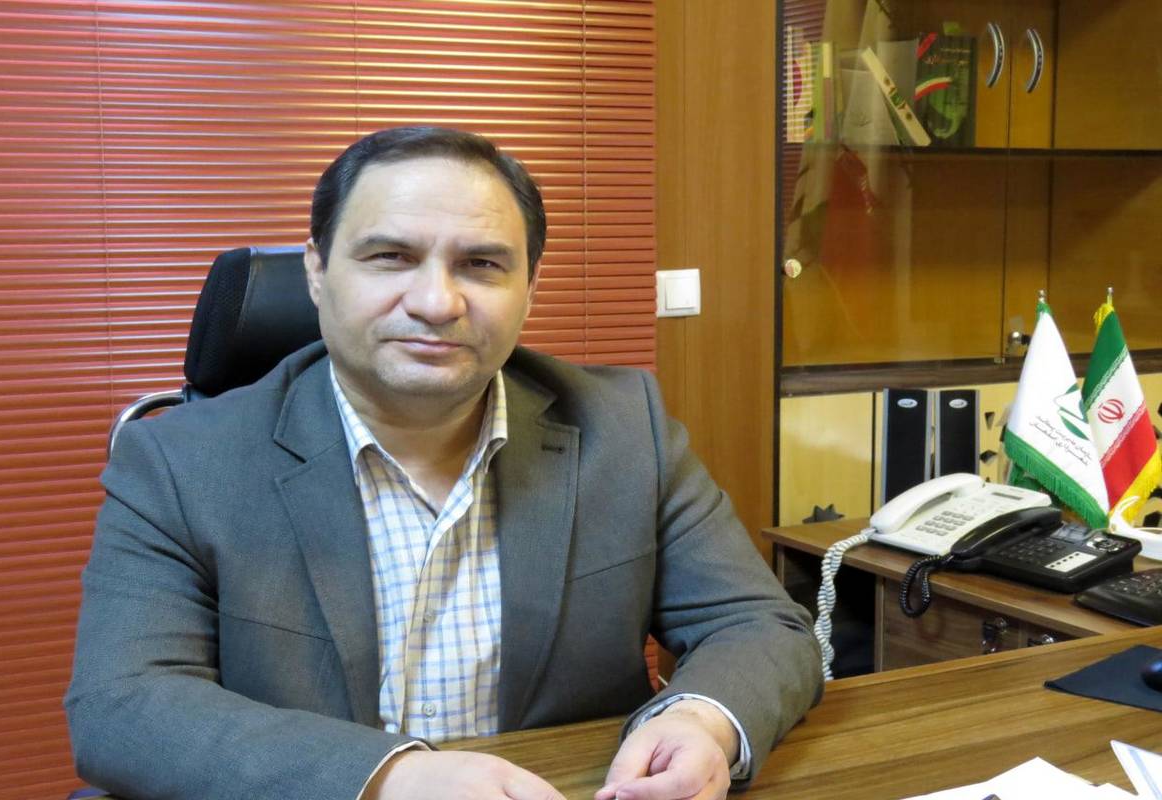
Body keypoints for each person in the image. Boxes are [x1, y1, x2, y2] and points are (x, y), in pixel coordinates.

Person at [65, 126, 823, 800]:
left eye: (482, 264)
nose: (436, 301)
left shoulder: (625, 428)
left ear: (529, 287)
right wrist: (387, 777)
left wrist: (702, 720)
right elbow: (123, 705)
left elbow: (758, 624)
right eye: (390, 257)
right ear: (317, 272)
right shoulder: (180, 460)